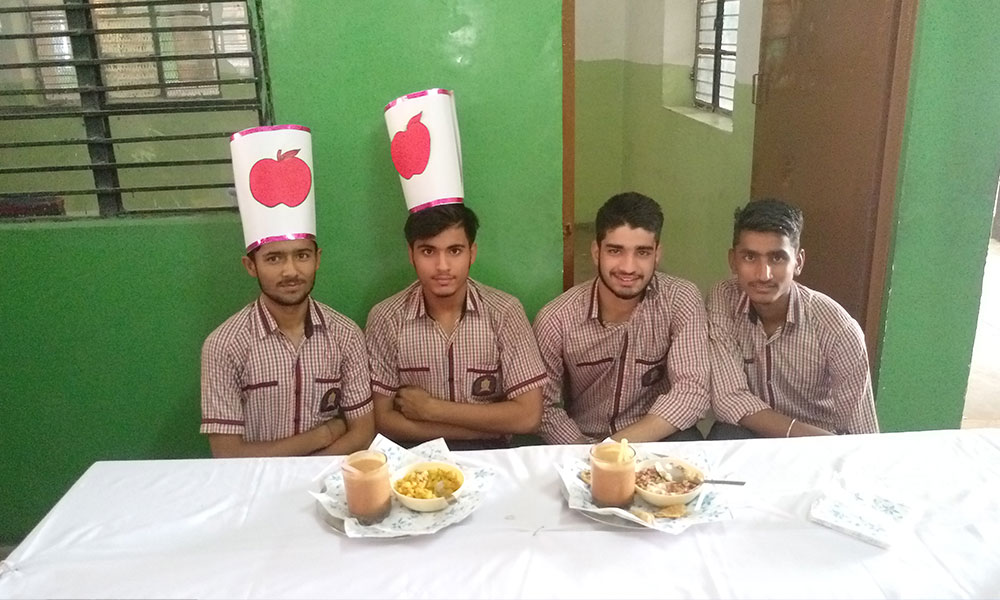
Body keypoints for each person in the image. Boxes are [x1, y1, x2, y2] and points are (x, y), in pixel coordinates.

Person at [200, 125, 374, 457]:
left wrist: (311, 474)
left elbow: (363, 433)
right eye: (274, 258)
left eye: (302, 256)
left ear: (317, 259)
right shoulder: (224, 345)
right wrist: (321, 435)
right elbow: (227, 454)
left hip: (329, 479)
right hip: (253, 483)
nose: (291, 271)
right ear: (251, 266)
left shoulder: (346, 335)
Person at [365, 204, 548, 450]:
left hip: (490, 455)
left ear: (472, 253)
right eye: (428, 251)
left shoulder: (504, 312)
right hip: (414, 455)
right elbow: (382, 419)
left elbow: (529, 416)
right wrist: (480, 430)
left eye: (454, 251)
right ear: (411, 254)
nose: (442, 266)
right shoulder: (387, 318)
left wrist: (432, 409)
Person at [534, 192, 710, 444]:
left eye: (642, 252)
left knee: (690, 441)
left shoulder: (680, 299)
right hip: (583, 442)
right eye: (615, 251)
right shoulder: (557, 318)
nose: (628, 267)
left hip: (655, 436)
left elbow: (692, 390)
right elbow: (544, 408)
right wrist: (589, 453)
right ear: (596, 252)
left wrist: (614, 448)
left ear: (657, 254)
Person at [707, 198, 879, 438]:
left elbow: (861, 433)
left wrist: (820, 444)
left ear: (798, 262)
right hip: (752, 434)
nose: (763, 274)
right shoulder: (724, 298)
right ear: (733, 261)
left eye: (777, 258)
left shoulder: (838, 328)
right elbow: (728, 398)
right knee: (724, 434)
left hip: (816, 443)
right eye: (750, 257)